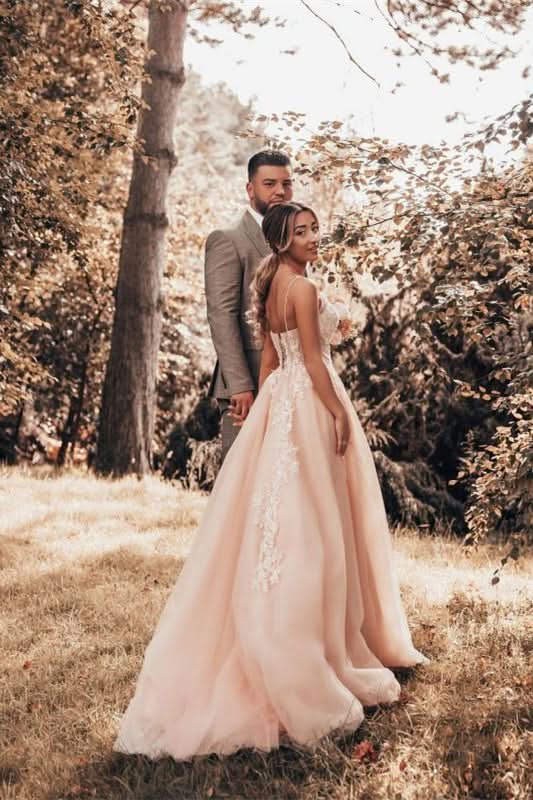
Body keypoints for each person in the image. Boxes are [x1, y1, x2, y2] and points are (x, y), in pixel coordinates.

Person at [114, 202, 428, 761]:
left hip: (281, 401)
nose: (313, 238)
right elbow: (313, 361)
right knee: (318, 515)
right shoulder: (302, 288)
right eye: (302, 232)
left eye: (314, 229)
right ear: (282, 240)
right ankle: (322, 646)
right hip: (308, 400)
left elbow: (268, 360)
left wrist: (262, 413)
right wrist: (336, 412)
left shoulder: (271, 285)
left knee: (283, 515)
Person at [204, 149, 293, 463]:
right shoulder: (227, 239)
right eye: (269, 184)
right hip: (247, 383)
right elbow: (222, 315)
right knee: (243, 473)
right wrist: (240, 385)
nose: (280, 191)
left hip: (291, 378)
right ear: (250, 189)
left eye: (286, 184)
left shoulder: (294, 241)